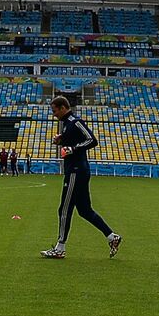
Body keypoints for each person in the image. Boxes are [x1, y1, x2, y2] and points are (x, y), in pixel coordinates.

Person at [41, 96, 122, 259]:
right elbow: (74, 141)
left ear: (63, 107)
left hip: (76, 172)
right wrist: (62, 140)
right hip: (78, 170)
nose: (54, 114)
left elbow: (92, 140)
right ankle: (112, 237)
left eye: (55, 110)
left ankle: (60, 248)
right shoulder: (67, 124)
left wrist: (73, 148)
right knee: (85, 211)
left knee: (64, 209)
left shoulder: (75, 121)